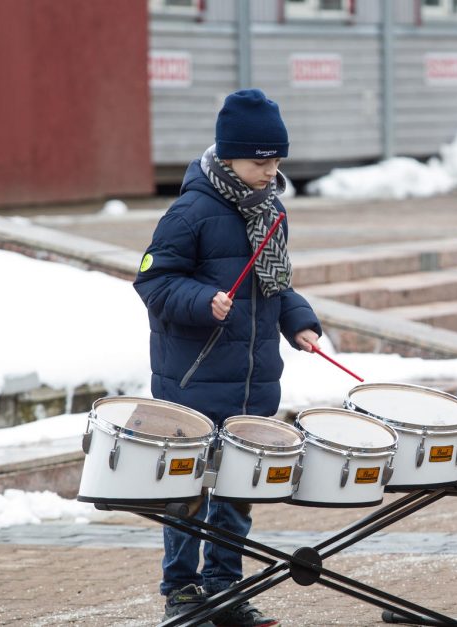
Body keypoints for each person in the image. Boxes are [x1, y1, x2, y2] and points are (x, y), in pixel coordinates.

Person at [135, 88, 322, 626]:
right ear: (229, 156)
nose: (271, 172)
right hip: (193, 380)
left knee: (238, 492)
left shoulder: (272, 212)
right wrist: (202, 301)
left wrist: (299, 322)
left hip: (254, 380)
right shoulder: (190, 211)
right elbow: (153, 280)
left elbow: (277, 284)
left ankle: (225, 588)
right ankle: (183, 590)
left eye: (277, 161)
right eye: (261, 162)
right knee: (187, 491)